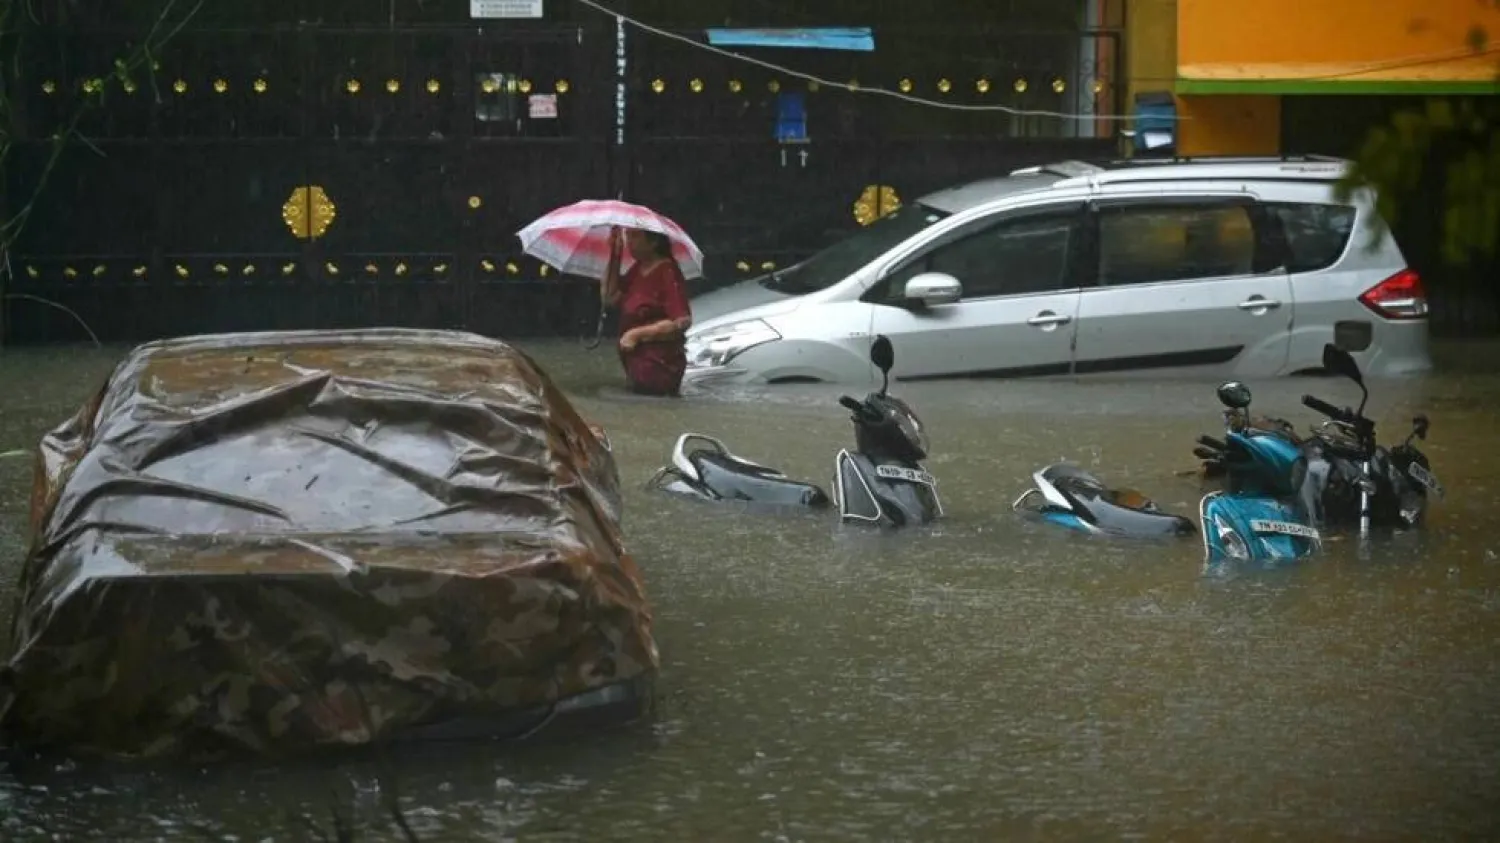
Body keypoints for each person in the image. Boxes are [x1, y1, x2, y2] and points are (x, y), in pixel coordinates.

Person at [601, 225, 693, 396]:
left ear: (654, 242)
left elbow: (681, 321)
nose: (630, 242)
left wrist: (637, 334)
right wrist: (615, 253)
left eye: (635, 236)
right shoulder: (638, 269)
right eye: (627, 236)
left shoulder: (667, 271)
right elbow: (610, 297)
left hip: (660, 368)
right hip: (636, 367)